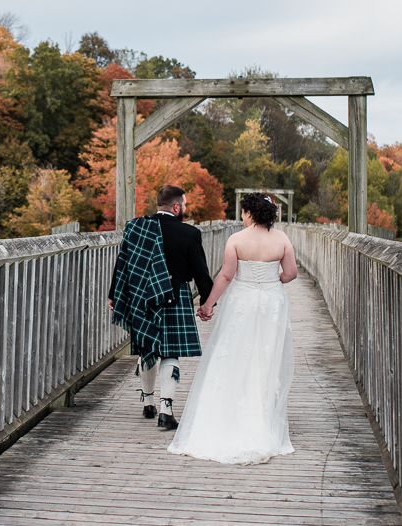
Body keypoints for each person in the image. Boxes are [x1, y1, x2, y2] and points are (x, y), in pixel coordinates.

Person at [168, 192, 298, 463]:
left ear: (249, 213)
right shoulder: (282, 239)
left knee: (235, 354)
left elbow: (226, 275)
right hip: (272, 303)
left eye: (243, 212)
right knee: (265, 357)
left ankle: (229, 416)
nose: (241, 216)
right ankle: (261, 418)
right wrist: (275, 280)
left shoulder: (237, 240)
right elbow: (291, 273)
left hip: (243, 300)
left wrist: (208, 305)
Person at [107, 185, 214, 430]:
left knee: (148, 347)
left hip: (140, 297)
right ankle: (166, 411)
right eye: (184, 205)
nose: (185, 209)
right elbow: (201, 273)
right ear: (176, 207)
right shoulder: (189, 233)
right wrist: (208, 303)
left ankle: (148, 402)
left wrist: (115, 295)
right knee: (170, 352)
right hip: (174, 297)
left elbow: (122, 264)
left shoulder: (135, 228)